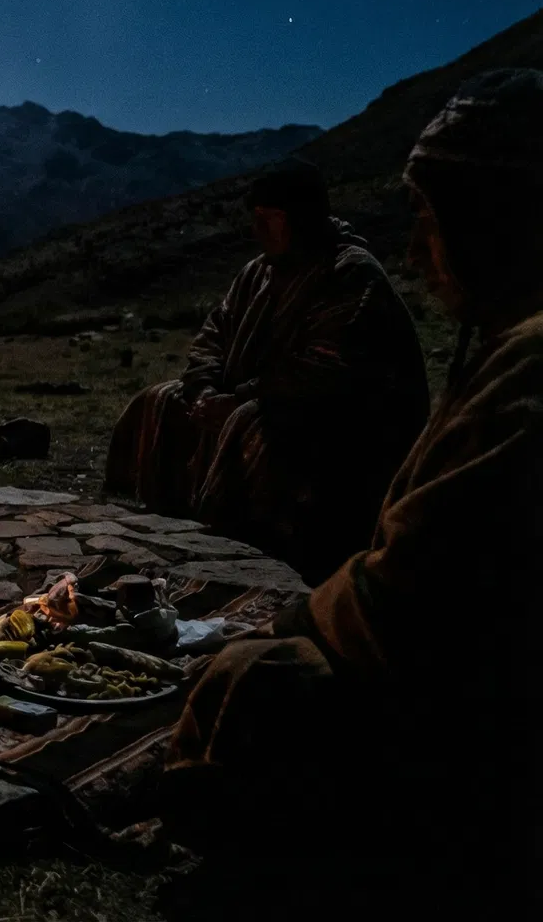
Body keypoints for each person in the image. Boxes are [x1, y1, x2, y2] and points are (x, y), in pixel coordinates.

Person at [157, 70, 543, 920]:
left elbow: (417, 590)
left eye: (431, 222)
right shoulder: (259, 276)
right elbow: (216, 337)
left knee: (257, 679)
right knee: (171, 409)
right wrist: (207, 381)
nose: (416, 251)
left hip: (339, 456)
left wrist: (297, 620)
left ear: (491, 224)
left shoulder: (501, 352)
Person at [104, 158, 428, 581]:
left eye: (267, 219)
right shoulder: (256, 273)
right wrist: (202, 390)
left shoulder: (349, 273)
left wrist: (240, 398)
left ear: (296, 220)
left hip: (346, 424)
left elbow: (323, 369)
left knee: (249, 425)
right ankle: (166, 526)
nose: (257, 230)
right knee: (161, 401)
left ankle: (252, 546)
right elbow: (214, 334)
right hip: (257, 396)